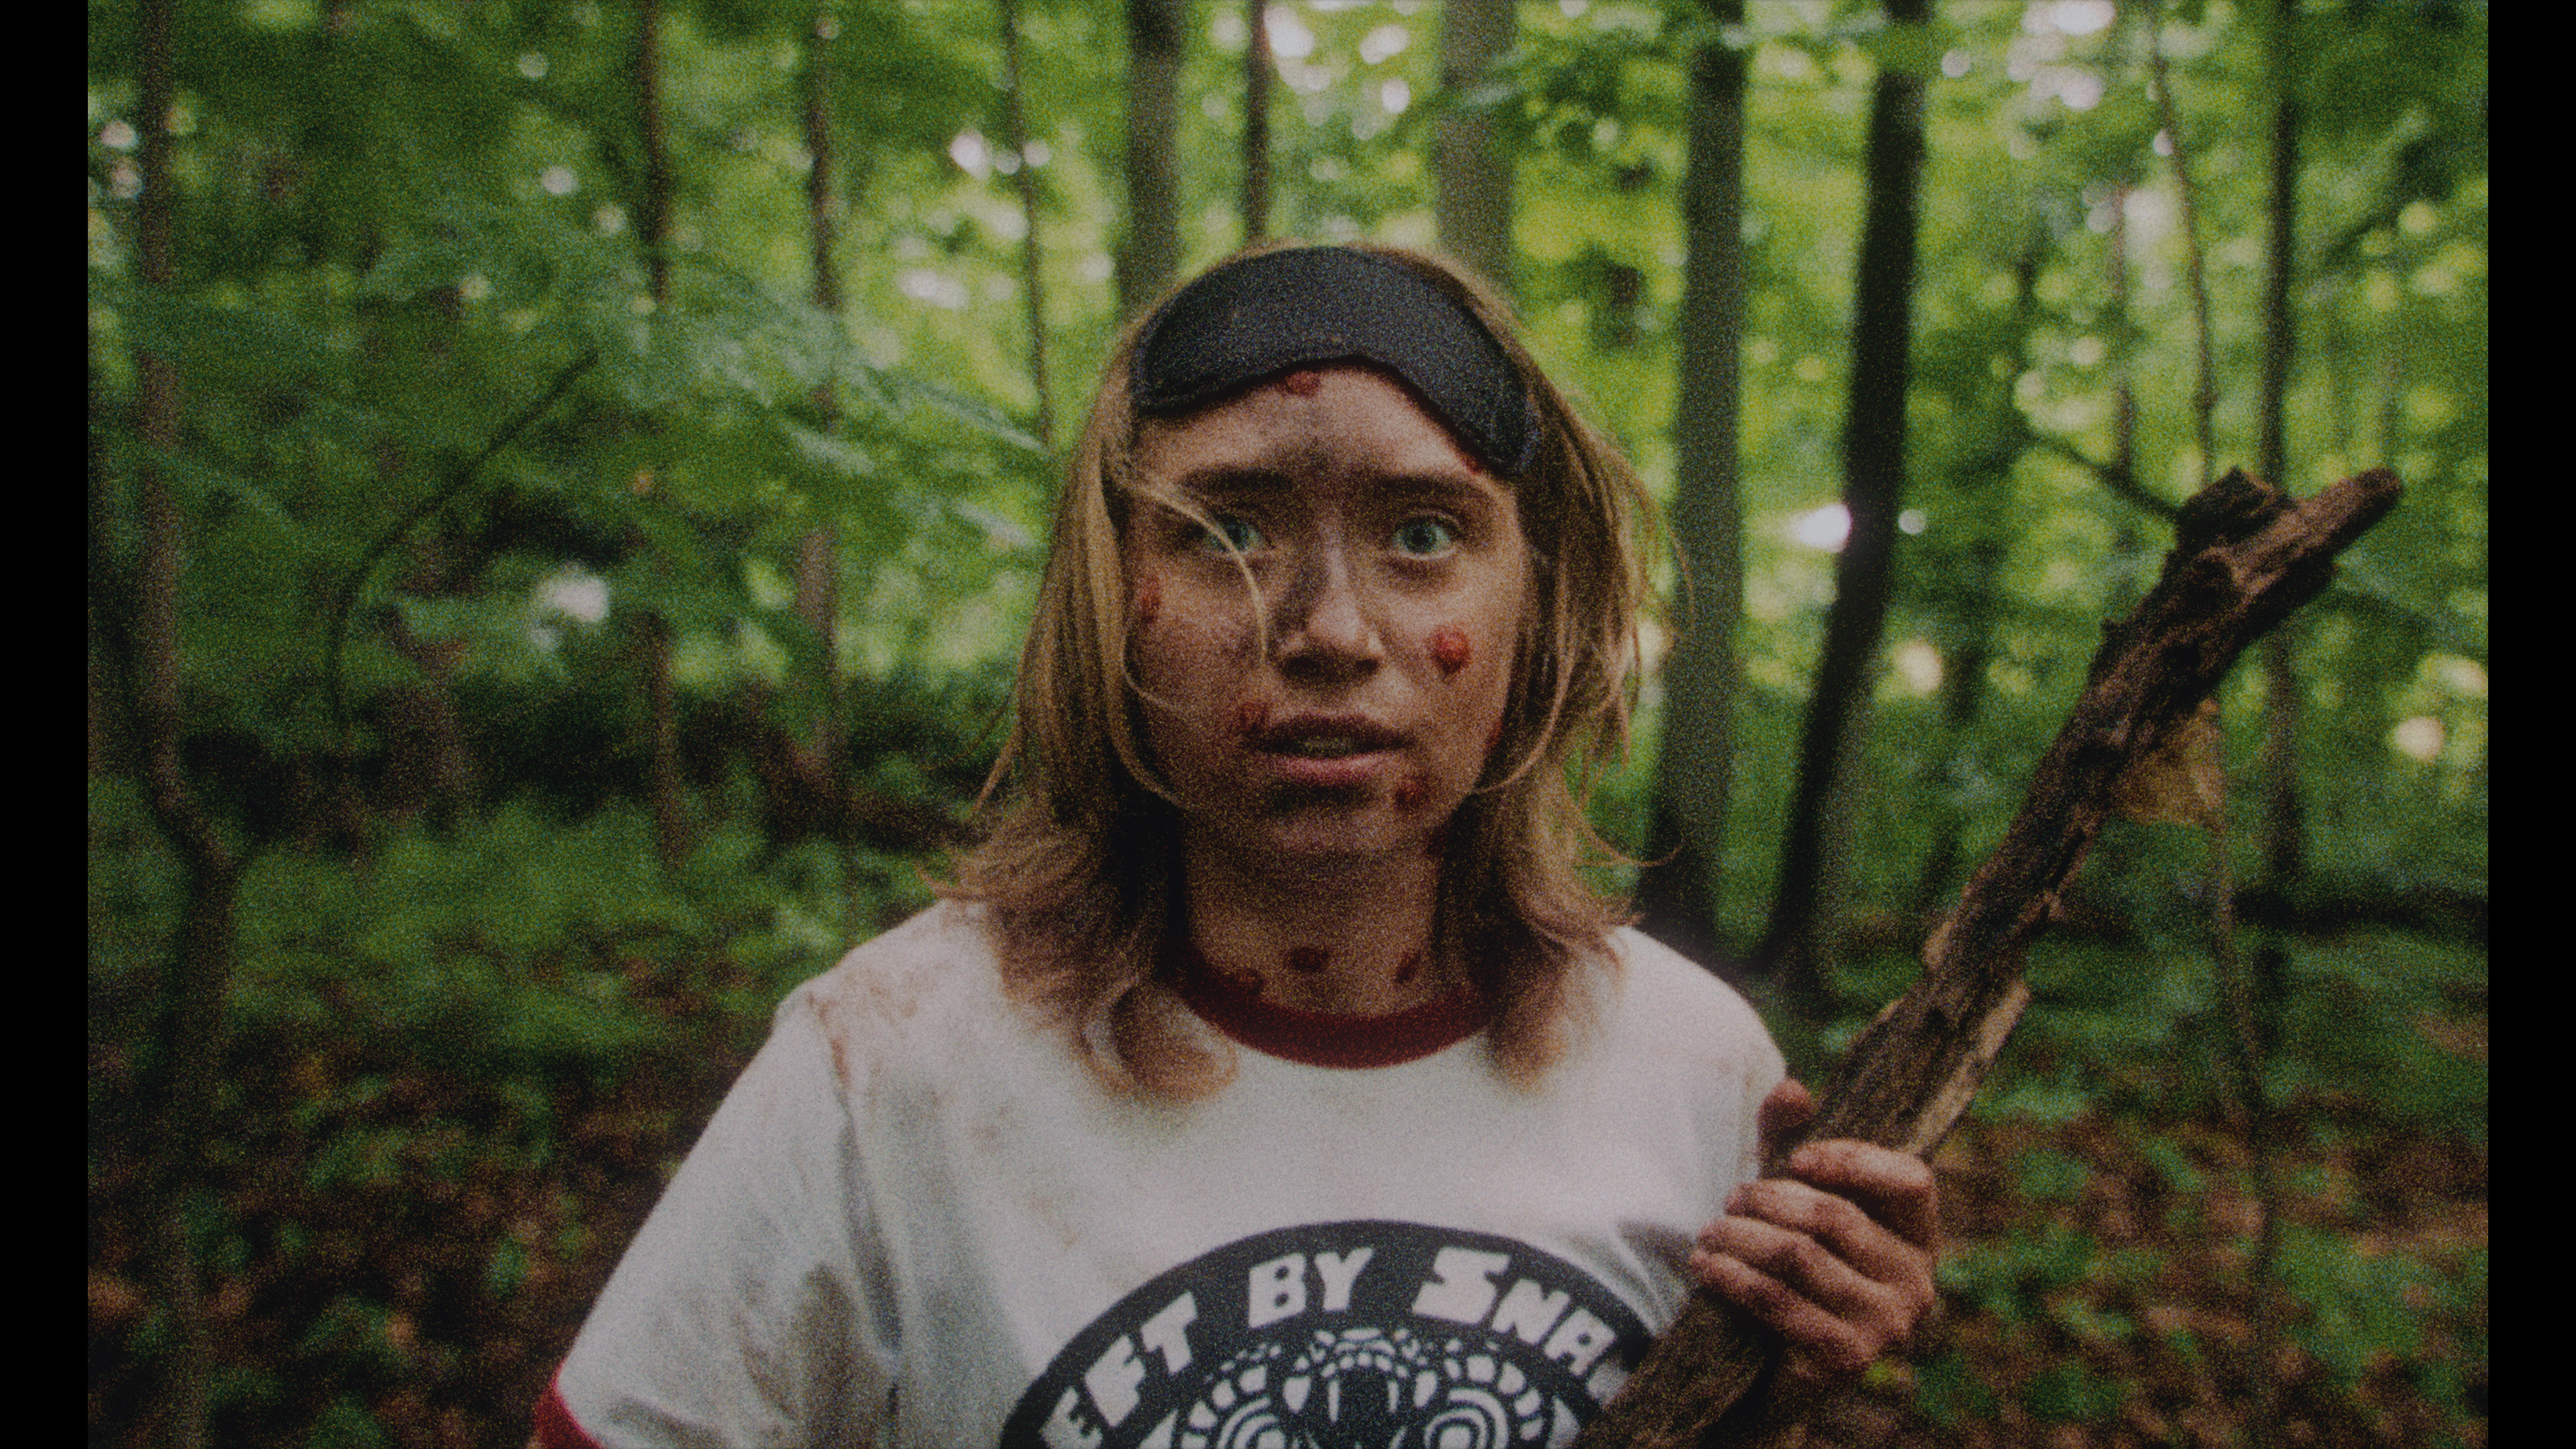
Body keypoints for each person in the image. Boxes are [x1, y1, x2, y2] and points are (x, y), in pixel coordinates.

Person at [536, 242, 1937, 1448]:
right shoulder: (897, 1063)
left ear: (1541, 599)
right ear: (1112, 590)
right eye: (1227, 532)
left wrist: (1769, 1384)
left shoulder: (1693, 1070)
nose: (1329, 630)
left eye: (1423, 532)